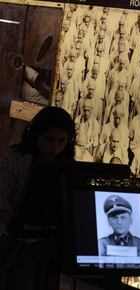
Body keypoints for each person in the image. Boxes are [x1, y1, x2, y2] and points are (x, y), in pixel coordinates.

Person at [0, 106, 76, 290]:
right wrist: (12, 222)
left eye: (61, 141)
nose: (55, 147)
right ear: (35, 135)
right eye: (49, 140)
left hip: (52, 245)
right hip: (20, 244)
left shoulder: (67, 165)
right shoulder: (16, 158)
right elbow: (2, 196)